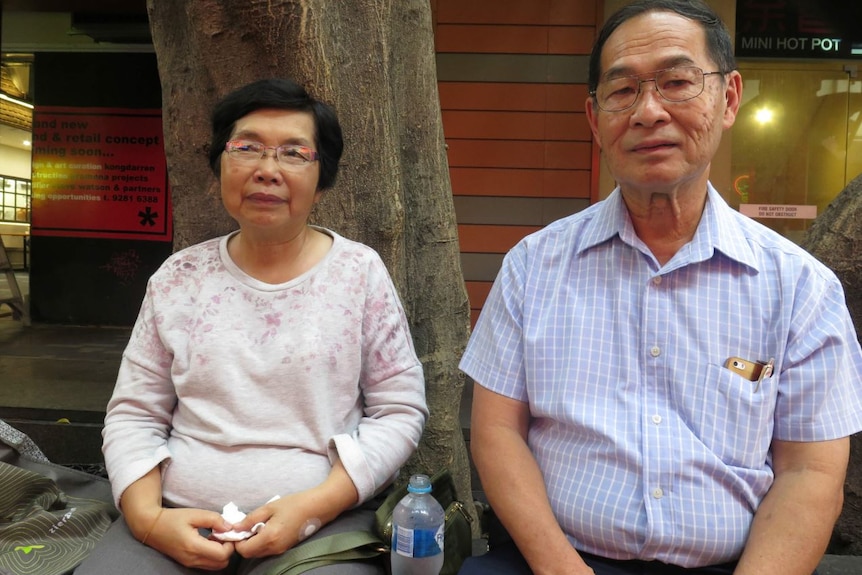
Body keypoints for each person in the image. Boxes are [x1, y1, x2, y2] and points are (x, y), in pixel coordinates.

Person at [458, 1, 862, 574]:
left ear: (728, 98)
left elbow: (810, 472)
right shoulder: (533, 265)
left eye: (677, 82)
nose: (649, 112)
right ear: (596, 120)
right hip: (553, 559)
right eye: (623, 91)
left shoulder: (801, 288)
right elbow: (496, 432)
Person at [76, 78, 428, 574]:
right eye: (247, 148)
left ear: (321, 176)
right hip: (177, 518)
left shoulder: (359, 273)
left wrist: (314, 507)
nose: (267, 170)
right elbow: (135, 413)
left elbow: (399, 409)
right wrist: (148, 519)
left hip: (320, 525)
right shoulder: (179, 277)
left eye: (293, 153)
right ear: (221, 162)